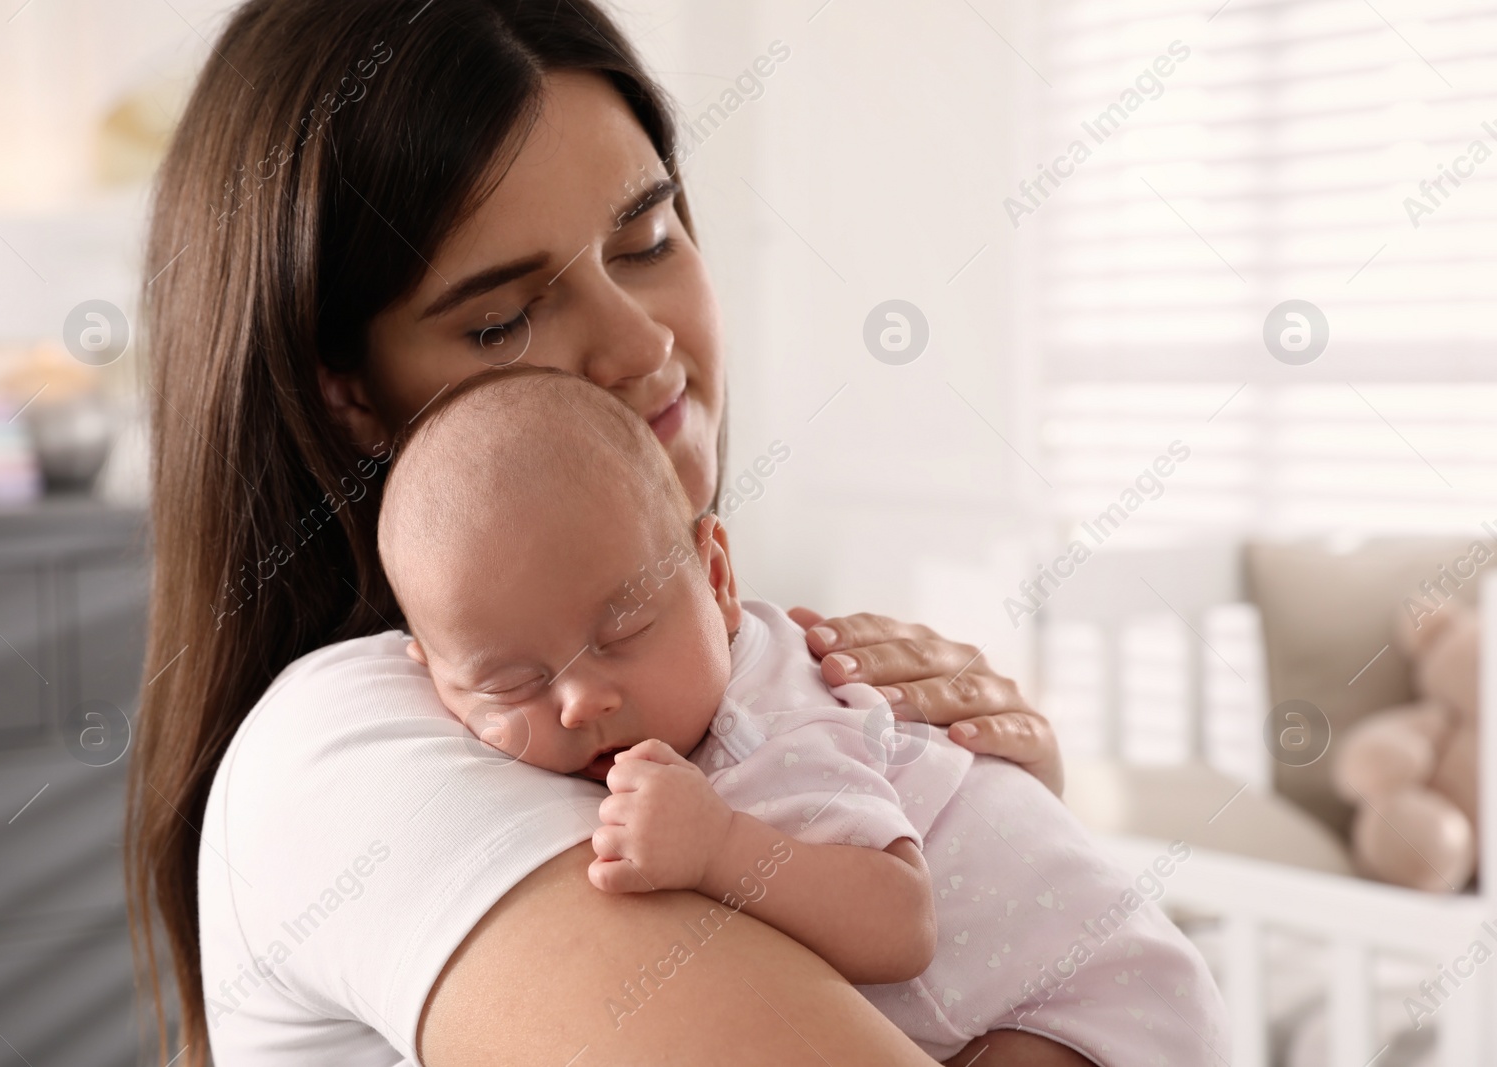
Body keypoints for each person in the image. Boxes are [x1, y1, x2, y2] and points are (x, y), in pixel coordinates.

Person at [129, 1, 1084, 1064]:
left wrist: (984, 812)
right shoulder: (360, 748)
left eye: (644, 240)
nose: (639, 344)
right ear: (346, 391)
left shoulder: (730, 680)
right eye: (500, 320)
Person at [374, 365, 1230, 1065]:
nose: (579, 699)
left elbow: (900, 923)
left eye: (624, 629)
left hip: (1102, 1008)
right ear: (431, 674)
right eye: (511, 683)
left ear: (716, 580)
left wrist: (718, 846)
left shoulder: (770, 723)